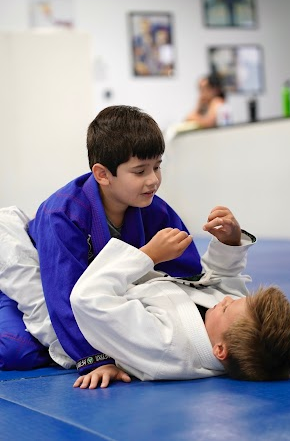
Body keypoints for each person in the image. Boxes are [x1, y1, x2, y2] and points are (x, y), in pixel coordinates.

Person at [0, 105, 203, 376]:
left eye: (157, 167)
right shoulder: (62, 215)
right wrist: (95, 359)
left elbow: (189, 272)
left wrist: (229, 245)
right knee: (19, 350)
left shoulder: (152, 208)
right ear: (103, 174)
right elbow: (62, 296)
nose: (153, 180)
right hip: (34, 279)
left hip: (87, 292)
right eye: (140, 171)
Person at [70, 209, 290, 388]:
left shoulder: (163, 344)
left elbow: (87, 298)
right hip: (124, 280)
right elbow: (225, 280)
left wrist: (147, 255)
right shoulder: (233, 327)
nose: (227, 300)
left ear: (220, 350)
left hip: (68, 314)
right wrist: (229, 243)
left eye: (225, 309)